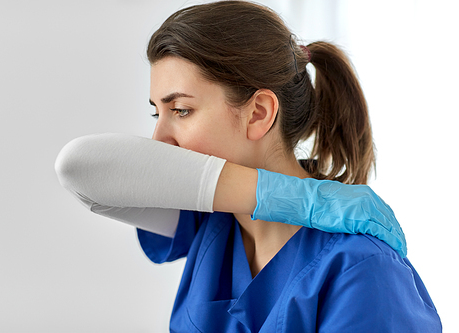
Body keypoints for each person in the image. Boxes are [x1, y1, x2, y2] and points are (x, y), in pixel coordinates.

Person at [55, 1, 441, 331]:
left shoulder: (363, 269)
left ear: (258, 113)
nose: (159, 140)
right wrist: (300, 199)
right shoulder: (213, 222)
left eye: (182, 110)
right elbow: (78, 168)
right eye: (157, 112)